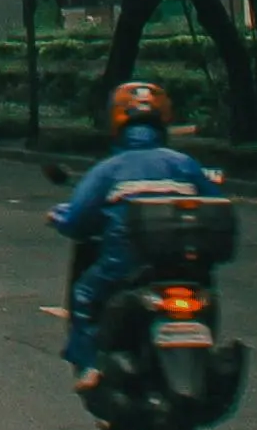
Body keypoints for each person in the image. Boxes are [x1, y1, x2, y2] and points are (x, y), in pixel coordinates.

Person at [49, 77, 218, 389]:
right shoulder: (186, 164)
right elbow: (214, 203)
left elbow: (77, 220)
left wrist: (58, 217)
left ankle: (89, 368)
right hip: (185, 265)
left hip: (124, 263)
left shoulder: (110, 169)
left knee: (84, 296)